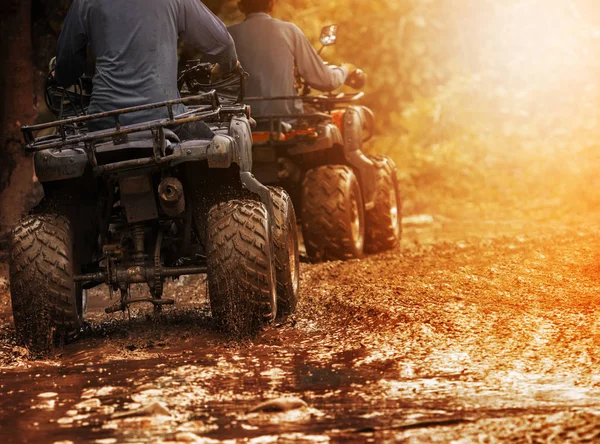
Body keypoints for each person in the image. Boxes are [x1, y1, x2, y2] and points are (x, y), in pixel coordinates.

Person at [54, 0, 238, 136]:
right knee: (217, 156)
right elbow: (224, 44)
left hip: (105, 120)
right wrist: (223, 68)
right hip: (164, 116)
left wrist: (61, 76)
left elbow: (66, 66)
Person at [228, 0, 349, 117]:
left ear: (241, 6)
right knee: (327, 122)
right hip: (287, 118)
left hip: (240, 122)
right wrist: (345, 70)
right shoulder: (289, 31)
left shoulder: (229, 36)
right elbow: (325, 80)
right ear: (272, 4)